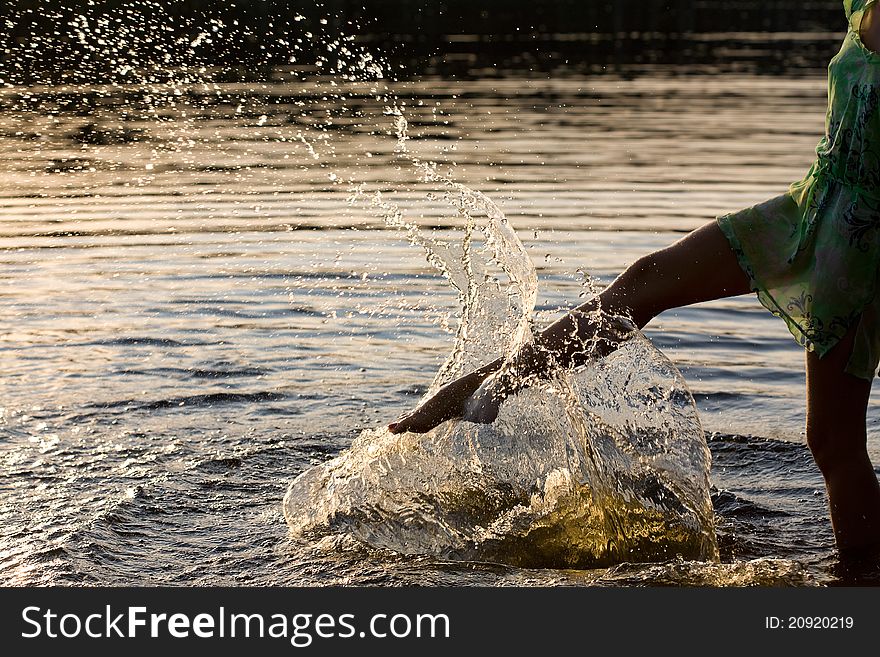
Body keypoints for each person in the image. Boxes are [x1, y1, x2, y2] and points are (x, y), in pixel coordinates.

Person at [388, 1, 880, 559]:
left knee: (833, 439)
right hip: (814, 203)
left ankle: (859, 590)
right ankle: (489, 390)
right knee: (643, 280)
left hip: (863, 240)